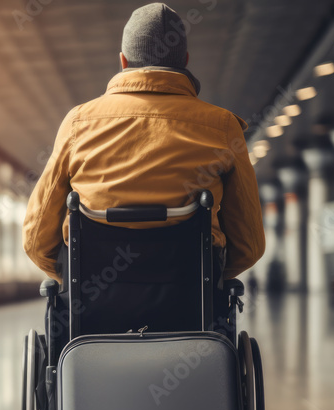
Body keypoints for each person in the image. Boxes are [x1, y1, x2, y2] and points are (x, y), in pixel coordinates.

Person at [22, 3, 265, 296]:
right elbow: (249, 244)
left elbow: (36, 239)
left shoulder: (78, 123)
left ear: (123, 62)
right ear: (184, 60)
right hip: (190, 299)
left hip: (93, 297)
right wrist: (211, 277)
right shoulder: (223, 126)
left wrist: (71, 275)